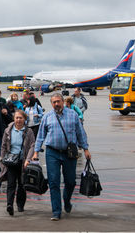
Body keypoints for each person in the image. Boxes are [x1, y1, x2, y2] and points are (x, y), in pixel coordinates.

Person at [32, 93, 91, 221]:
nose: (56, 104)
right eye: (54, 102)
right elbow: (40, 135)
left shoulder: (73, 115)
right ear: (51, 103)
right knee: (53, 182)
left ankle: (67, 199)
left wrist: (85, 149)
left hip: (69, 153)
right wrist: (36, 152)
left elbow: (80, 133)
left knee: (70, 181)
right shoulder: (47, 117)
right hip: (52, 153)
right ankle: (56, 211)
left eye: (58, 101)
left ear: (63, 101)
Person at [0, 110, 35, 216]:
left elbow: (32, 145)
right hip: (11, 161)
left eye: (21, 118)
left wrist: (28, 159)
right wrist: (2, 159)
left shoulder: (29, 131)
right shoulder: (8, 130)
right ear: (14, 119)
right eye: (17, 118)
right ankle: (9, 205)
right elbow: (4, 146)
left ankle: (20, 204)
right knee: (11, 184)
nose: (18, 120)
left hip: (23, 162)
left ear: (24, 119)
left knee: (22, 184)